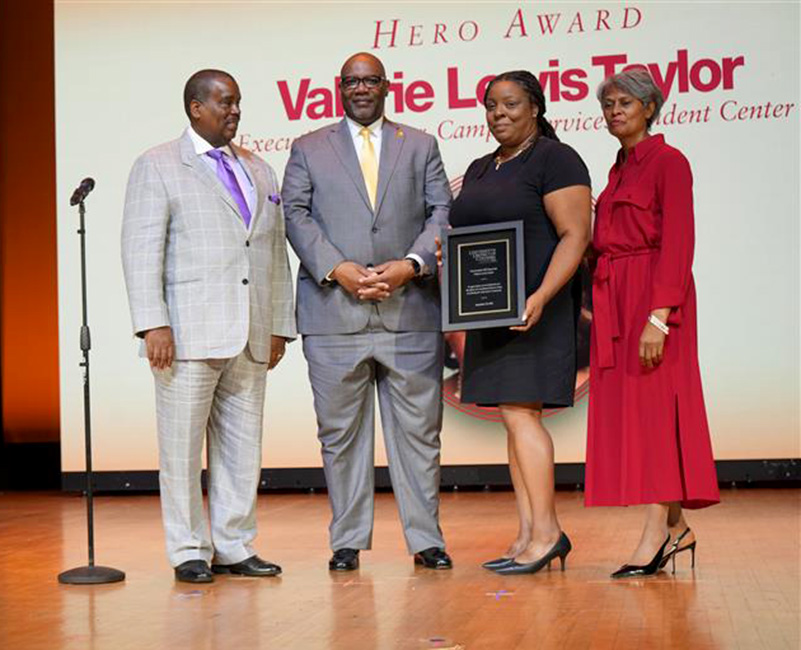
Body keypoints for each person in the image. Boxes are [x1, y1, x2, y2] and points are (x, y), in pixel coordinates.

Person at [121, 69, 296, 583]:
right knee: (180, 449)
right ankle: (188, 550)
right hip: (186, 336)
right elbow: (140, 251)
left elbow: (273, 253)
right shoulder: (157, 165)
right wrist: (153, 324)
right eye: (224, 102)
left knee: (243, 447)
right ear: (196, 108)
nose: (235, 111)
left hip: (250, 332)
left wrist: (279, 323)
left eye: (238, 102)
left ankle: (235, 545)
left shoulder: (259, 170)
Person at [282, 52, 452, 572]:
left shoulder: (420, 144)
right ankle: (347, 542)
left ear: (386, 86)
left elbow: (441, 211)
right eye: (352, 81)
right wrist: (338, 268)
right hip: (334, 312)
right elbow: (294, 213)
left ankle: (426, 540)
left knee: (420, 434)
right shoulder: (308, 147)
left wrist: (411, 263)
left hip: (410, 310)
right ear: (339, 88)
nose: (361, 88)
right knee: (340, 437)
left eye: (370, 80)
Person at [446, 70, 592, 575]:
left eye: (510, 104)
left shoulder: (556, 158)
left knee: (521, 415)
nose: (499, 113)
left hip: (537, 311)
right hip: (490, 313)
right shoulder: (482, 166)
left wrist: (542, 296)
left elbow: (574, 234)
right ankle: (528, 532)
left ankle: (549, 532)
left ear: (535, 107)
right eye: (491, 105)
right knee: (512, 418)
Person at [585, 68, 720, 578]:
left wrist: (658, 317)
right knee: (641, 418)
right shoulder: (617, 168)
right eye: (608, 104)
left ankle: (654, 535)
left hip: (654, 300)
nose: (615, 111)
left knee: (660, 416)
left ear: (649, 108)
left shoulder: (669, 162)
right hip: (616, 295)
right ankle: (678, 530)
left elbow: (679, 243)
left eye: (625, 102)